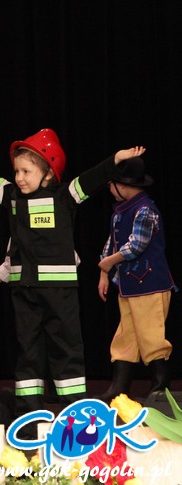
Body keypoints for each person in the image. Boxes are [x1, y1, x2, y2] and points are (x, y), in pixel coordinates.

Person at [0, 127, 146, 416]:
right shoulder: (13, 196)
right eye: (17, 171)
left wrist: (115, 160)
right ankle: (29, 413)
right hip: (24, 290)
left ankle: (74, 411)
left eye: (26, 171)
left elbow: (91, 179)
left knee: (66, 348)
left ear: (47, 174)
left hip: (59, 291)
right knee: (27, 349)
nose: (19, 177)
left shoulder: (65, 196)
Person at [96, 156, 176, 402]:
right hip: (129, 286)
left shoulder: (145, 210)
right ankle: (119, 387)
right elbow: (112, 243)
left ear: (123, 185)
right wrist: (104, 272)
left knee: (151, 335)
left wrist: (109, 262)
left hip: (150, 284)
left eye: (111, 184)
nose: (110, 189)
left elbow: (136, 246)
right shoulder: (120, 212)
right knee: (126, 336)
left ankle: (160, 385)